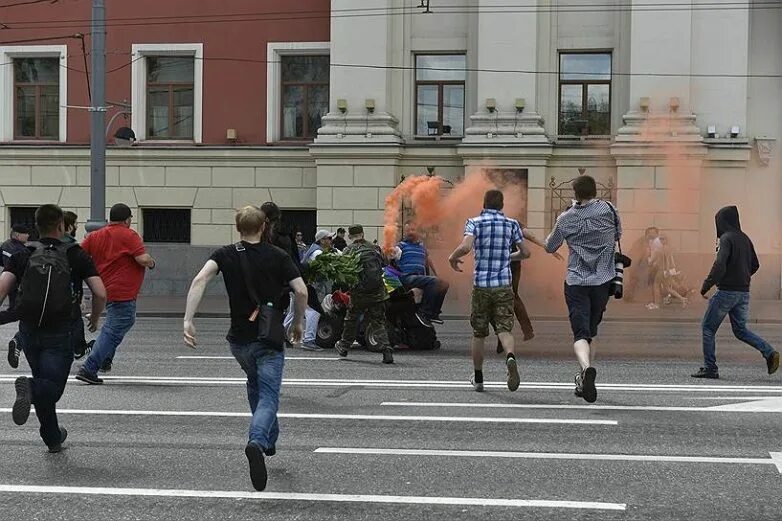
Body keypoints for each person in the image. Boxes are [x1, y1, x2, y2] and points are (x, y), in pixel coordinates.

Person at [184, 205, 307, 491]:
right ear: (264, 227)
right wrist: (298, 323)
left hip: (239, 341)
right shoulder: (278, 255)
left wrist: (188, 320)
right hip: (269, 339)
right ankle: (257, 440)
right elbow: (300, 290)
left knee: (256, 384)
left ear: (238, 228)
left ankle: (269, 441)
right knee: (269, 396)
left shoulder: (226, 254)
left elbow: (200, 279)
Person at [0, 204, 106, 452]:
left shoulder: (22, 255)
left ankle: (52, 438)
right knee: (50, 388)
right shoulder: (75, 254)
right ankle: (31, 387)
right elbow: (100, 292)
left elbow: (2, 289)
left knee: (43, 383)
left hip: (29, 330)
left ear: (37, 227)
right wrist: (96, 317)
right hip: (60, 331)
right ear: (61, 225)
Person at [545, 176, 620, 403]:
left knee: (580, 333)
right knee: (592, 330)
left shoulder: (566, 218)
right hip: (603, 280)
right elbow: (618, 236)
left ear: (575, 194)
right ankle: (585, 374)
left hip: (577, 281)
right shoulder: (609, 210)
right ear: (595, 190)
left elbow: (550, 246)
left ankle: (585, 369)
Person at [448, 190, 529, 393]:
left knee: (479, 333)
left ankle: (479, 378)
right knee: (504, 329)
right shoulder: (511, 224)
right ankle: (510, 356)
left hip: (481, 285)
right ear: (502, 205)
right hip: (503, 285)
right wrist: (507, 258)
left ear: (484, 203)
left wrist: (452, 257)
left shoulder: (474, 222)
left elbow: (466, 247)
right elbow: (526, 253)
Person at [692, 206, 779, 379]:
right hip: (743, 293)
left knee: (708, 328)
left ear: (722, 222)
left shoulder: (726, 238)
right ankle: (769, 352)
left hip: (726, 292)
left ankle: (710, 368)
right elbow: (755, 264)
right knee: (740, 330)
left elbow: (720, 264)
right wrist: (742, 277)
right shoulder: (745, 238)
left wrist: (706, 285)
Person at [75, 203, 156, 384]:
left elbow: (78, 255)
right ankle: (90, 368)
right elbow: (142, 259)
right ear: (127, 219)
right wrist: (151, 262)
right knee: (114, 329)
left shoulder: (95, 236)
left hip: (104, 289)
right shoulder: (129, 235)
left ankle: (105, 358)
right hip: (123, 291)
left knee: (117, 325)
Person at [494, 224, 564, 353]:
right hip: (512, 263)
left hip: (498, 265)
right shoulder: (511, 221)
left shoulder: (483, 221)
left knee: (498, 299)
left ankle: (503, 334)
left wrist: (547, 247)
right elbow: (529, 235)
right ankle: (524, 330)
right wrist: (546, 247)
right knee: (511, 296)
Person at [334, 225, 394, 364]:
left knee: (351, 319)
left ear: (350, 236)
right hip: (377, 293)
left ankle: (344, 346)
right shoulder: (374, 248)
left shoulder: (348, 250)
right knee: (378, 322)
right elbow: (385, 263)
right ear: (362, 233)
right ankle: (386, 350)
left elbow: (345, 273)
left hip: (359, 294)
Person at [284, 229, 337, 351]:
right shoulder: (317, 253)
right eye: (329, 238)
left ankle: (281, 333)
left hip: (299, 284)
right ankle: (309, 340)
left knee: (293, 312)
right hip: (309, 287)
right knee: (314, 311)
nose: (331, 241)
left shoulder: (316, 250)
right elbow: (324, 270)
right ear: (322, 240)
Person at [396, 222, 449, 327]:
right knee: (434, 282)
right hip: (407, 277)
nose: (410, 232)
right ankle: (425, 312)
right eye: (408, 230)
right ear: (404, 233)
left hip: (420, 278)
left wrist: (438, 275)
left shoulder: (422, 247)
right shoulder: (400, 246)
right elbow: (390, 256)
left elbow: (428, 260)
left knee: (444, 283)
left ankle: (434, 313)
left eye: (413, 230)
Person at [60, 211, 94, 359]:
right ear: (67, 227)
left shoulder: (40, 247)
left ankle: (19, 340)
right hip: (69, 298)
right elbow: (97, 289)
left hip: (46, 298)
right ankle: (79, 349)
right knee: (75, 323)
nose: (77, 226)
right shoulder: (75, 251)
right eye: (75, 224)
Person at [2, 224, 31, 369]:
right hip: (16, 286)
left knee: (17, 313)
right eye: (25, 233)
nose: (28, 236)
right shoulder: (19, 250)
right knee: (17, 313)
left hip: (10, 284)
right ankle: (18, 341)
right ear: (17, 235)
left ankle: (18, 342)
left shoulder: (5, 245)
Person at [625, 227, 659, 303]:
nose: (652, 235)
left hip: (648, 263)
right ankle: (628, 296)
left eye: (654, 233)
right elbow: (637, 252)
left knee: (651, 281)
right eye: (651, 233)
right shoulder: (641, 241)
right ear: (647, 234)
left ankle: (653, 298)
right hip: (638, 263)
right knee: (634, 280)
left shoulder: (657, 242)